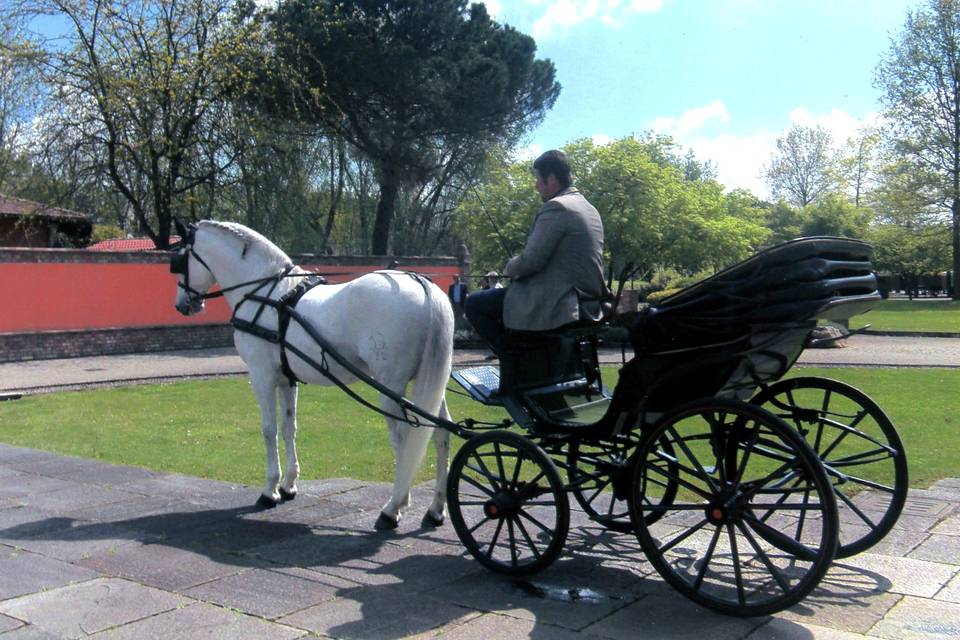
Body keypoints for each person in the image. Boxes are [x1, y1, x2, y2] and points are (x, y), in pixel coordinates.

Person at [465, 149, 605, 355]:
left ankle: (513, 360)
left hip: (558, 302)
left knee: (474, 304)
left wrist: (510, 266)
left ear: (551, 179)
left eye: (538, 179)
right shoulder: (589, 208)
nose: (536, 185)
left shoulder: (558, 206)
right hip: (588, 302)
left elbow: (531, 261)